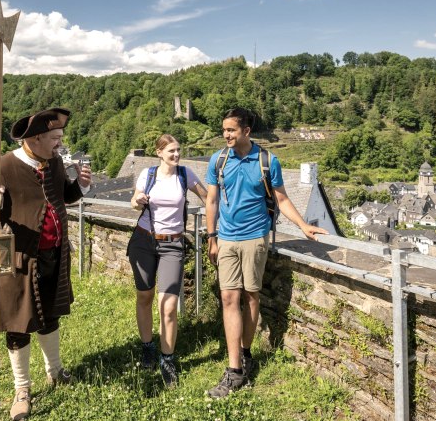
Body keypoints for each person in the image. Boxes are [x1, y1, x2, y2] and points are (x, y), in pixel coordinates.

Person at [0, 107, 91, 420]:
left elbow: (63, 196)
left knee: (50, 316)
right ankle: (22, 388)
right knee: (18, 325)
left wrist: (82, 185)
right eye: (55, 138)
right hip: (17, 259)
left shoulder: (55, 162)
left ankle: (55, 370)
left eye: (61, 138)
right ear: (35, 138)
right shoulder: (5, 165)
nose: (60, 144)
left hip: (53, 255)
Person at [205, 108, 327, 398]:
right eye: (224, 130)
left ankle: (245, 354)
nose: (226, 135)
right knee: (228, 297)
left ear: (246, 131)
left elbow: (281, 198)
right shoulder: (218, 160)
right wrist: (212, 237)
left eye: (231, 130)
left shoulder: (267, 161)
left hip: (255, 238)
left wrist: (303, 226)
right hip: (226, 238)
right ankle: (234, 370)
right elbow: (211, 200)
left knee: (250, 296)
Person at [128, 134, 207, 387]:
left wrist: (218, 224)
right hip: (144, 240)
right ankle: (148, 346)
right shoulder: (147, 174)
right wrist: (137, 200)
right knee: (144, 296)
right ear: (159, 152)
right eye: (171, 151)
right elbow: (134, 200)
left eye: (178, 150)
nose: (176, 154)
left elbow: (208, 197)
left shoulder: (185, 174)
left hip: (173, 244)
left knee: (169, 306)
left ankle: (168, 359)